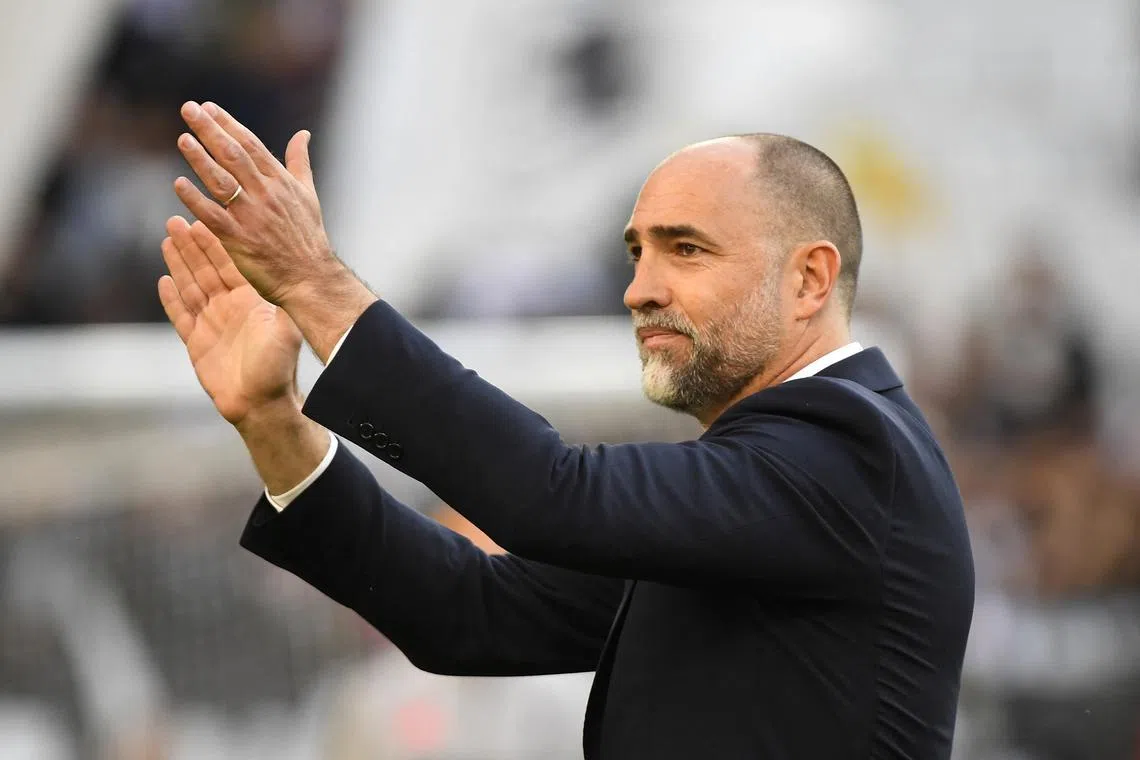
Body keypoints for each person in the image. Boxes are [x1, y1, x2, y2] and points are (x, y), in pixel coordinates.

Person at [157, 100, 975, 759]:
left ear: (809, 279)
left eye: (687, 250)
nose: (640, 289)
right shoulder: (766, 494)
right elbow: (468, 614)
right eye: (637, 252)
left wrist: (314, 283)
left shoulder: (852, 449)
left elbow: (550, 496)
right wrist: (273, 421)